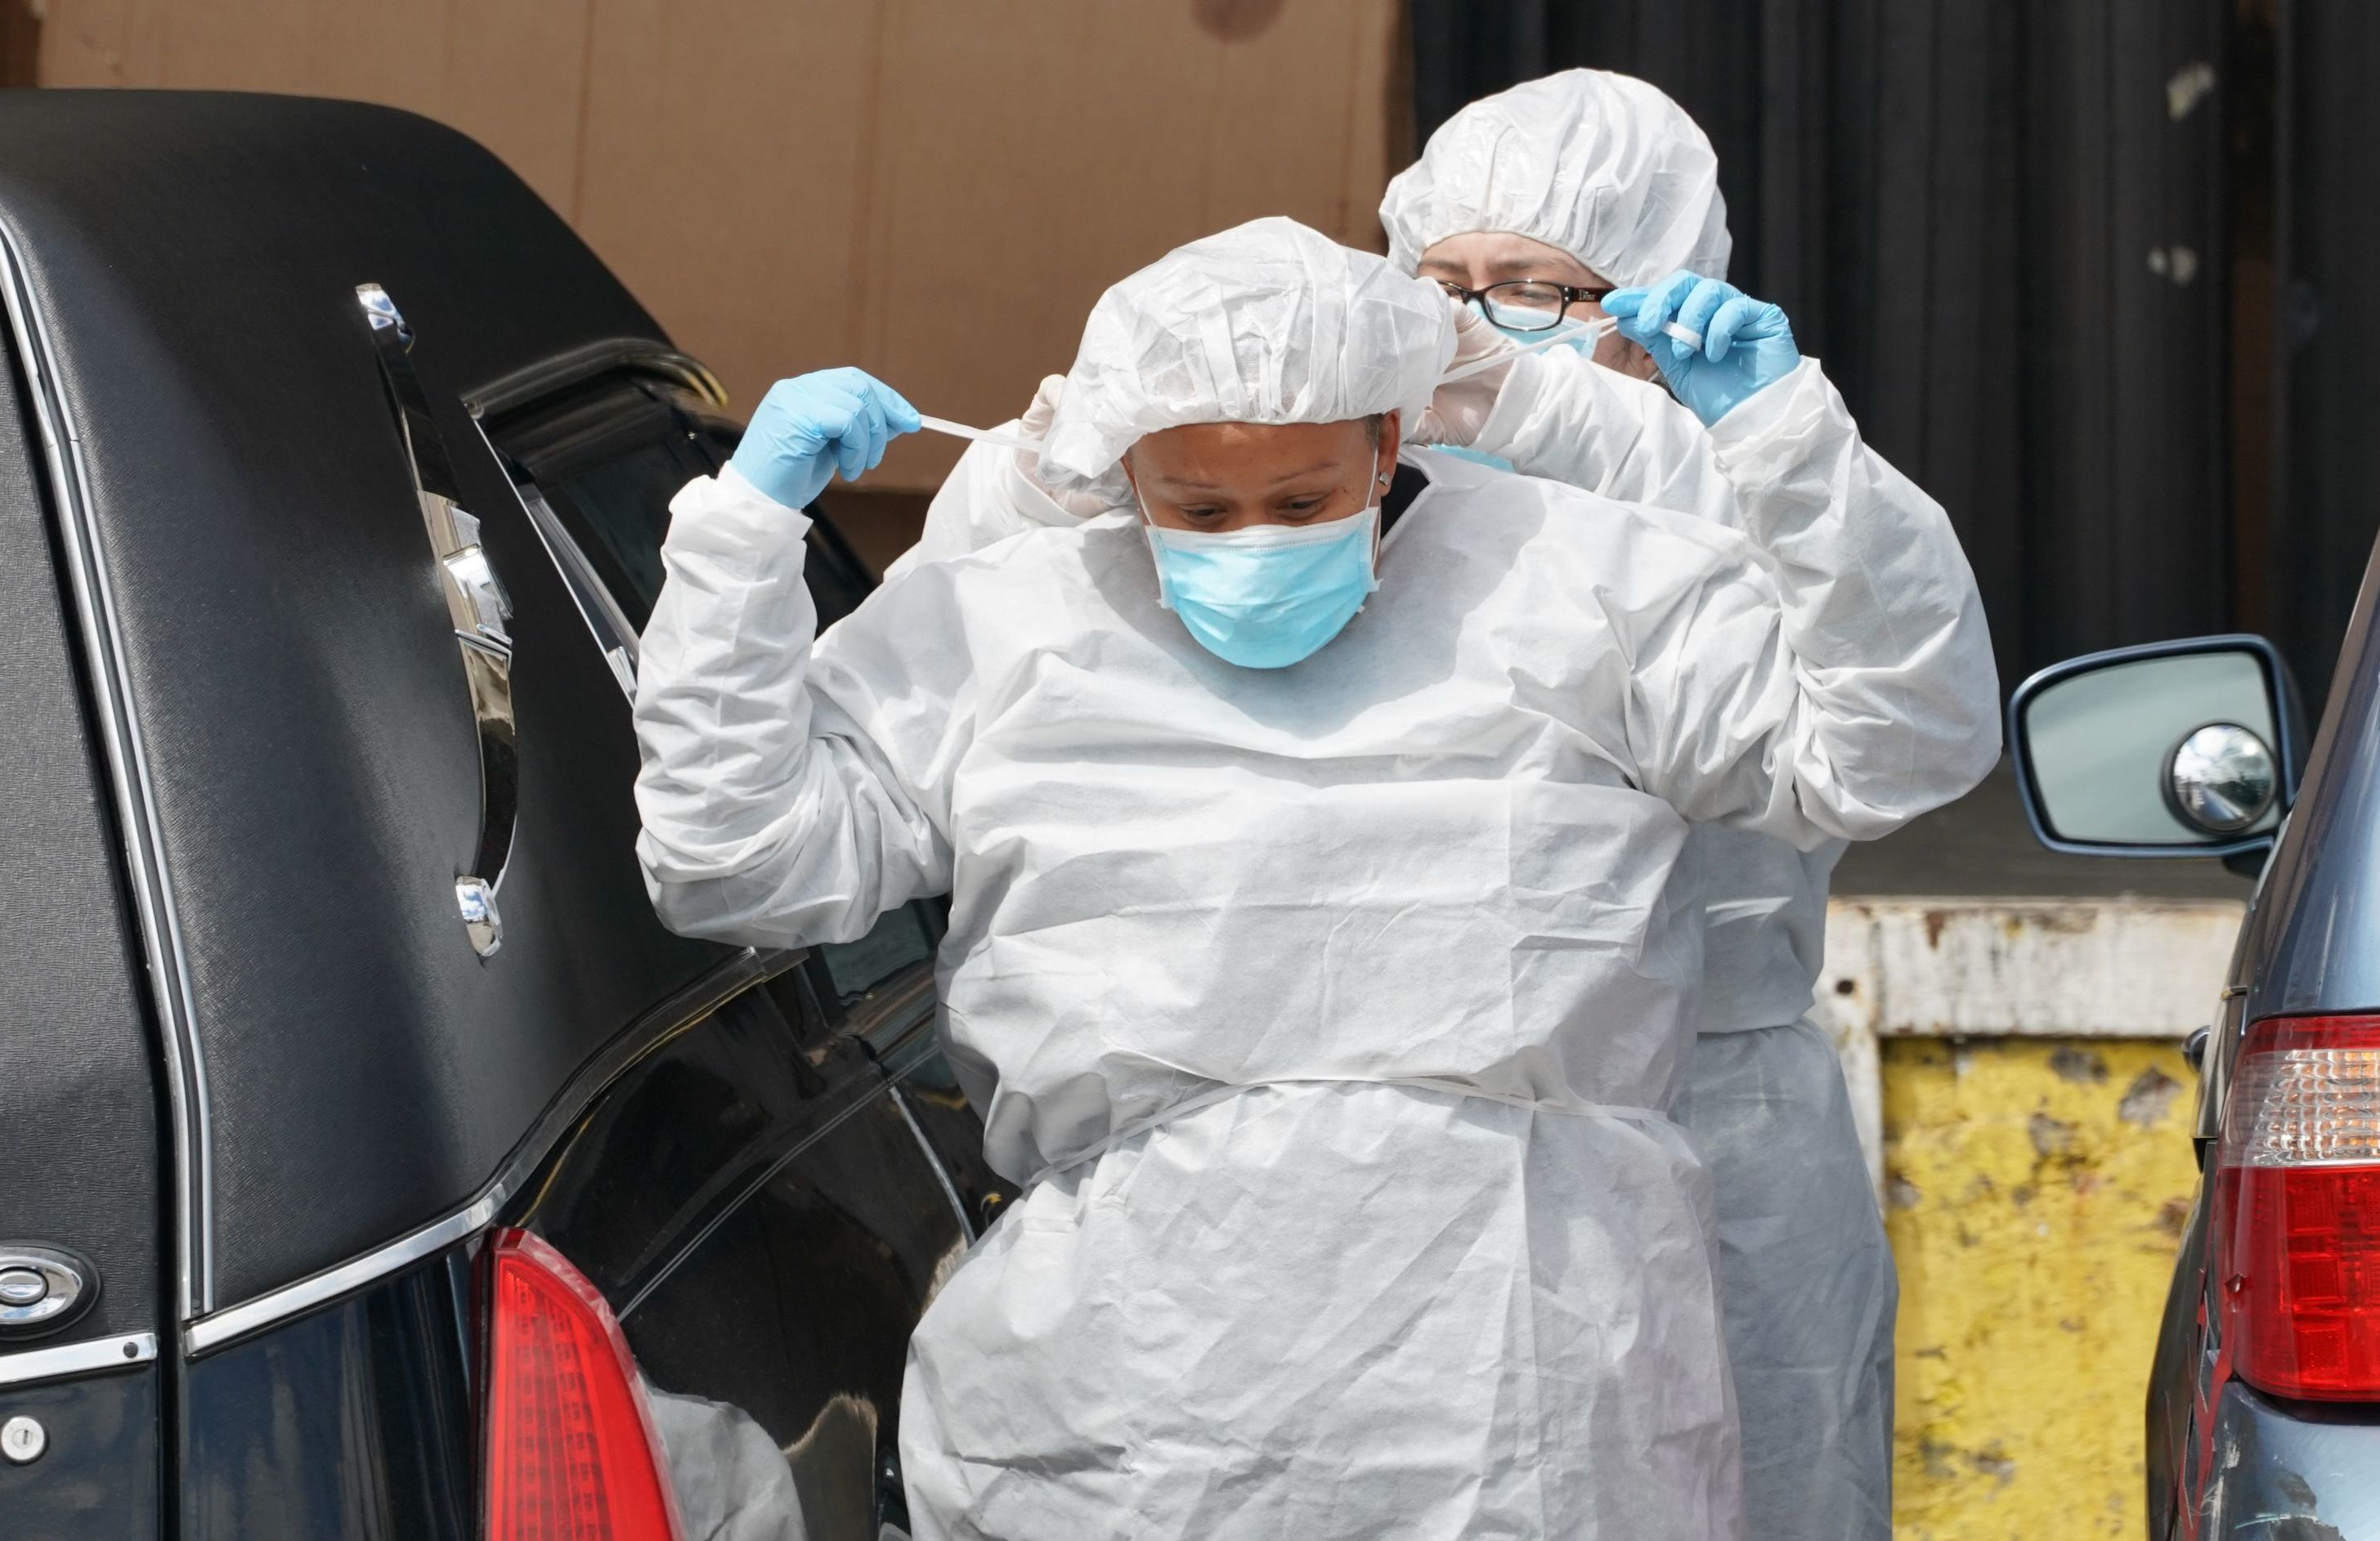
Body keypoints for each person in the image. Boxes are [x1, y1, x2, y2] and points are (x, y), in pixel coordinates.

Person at [633, 215, 1992, 1538]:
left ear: (1392, 438)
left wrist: (1787, 443)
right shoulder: (1014, 623)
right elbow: (735, 860)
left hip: (1525, 1383)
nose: (1255, 544)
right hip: (1130, 1402)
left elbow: (1894, 746)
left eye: (1302, 500)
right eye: (1199, 507)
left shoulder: (1577, 588)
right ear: (1125, 473)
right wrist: (741, 538)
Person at [1377, 68, 1994, 1539]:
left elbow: (1909, 706)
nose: (1473, 322)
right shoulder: (1371, 507)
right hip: (1428, 1133)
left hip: (1717, 1129)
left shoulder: (1756, 483)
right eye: (1441, 280)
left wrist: (1733, 433)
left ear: (1646, 308)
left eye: (1529, 285)